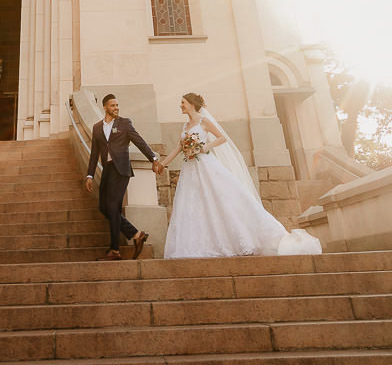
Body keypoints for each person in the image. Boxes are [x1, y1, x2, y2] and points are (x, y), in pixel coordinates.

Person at [161, 92, 321, 259]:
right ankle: (197, 244)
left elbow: (222, 138)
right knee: (192, 203)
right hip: (190, 170)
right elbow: (177, 149)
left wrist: (204, 147)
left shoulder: (204, 121)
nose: (180, 105)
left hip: (206, 166)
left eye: (183, 102)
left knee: (222, 198)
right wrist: (161, 164)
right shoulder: (185, 127)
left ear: (191, 104)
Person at [86, 94, 164, 261]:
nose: (116, 108)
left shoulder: (125, 123)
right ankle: (136, 234)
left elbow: (139, 141)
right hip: (107, 171)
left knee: (113, 206)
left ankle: (114, 250)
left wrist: (154, 159)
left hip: (121, 170)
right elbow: (94, 154)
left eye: (117, 105)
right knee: (104, 208)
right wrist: (90, 175)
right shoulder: (97, 128)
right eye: (112, 105)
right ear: (105, 107)